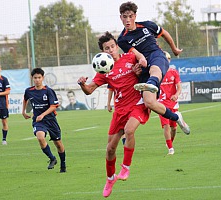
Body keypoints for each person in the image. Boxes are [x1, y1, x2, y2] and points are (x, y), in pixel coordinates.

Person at [77, 31, 150, 198]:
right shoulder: (104, 70)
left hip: (137, 104)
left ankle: (126, 167)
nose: (110, 50)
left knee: (130, 131)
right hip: (120, 110)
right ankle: (110, 179)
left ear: (117, 46)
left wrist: (139, 72)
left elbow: (146, 70)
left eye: (112, 46)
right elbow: (89, 91)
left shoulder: (130, 58)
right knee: (110, 149)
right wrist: (82, 84)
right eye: (106, 48)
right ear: (102, 52)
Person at [117, 1, 190, 134]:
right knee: (149, 102)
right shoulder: (122, 39)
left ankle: (151, 83)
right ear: (120, 17)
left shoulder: (147, 25)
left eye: (130, 16)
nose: (127, 20)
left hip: (157, 56)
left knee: (154, 70)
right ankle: (177, 117)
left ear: (135, 16)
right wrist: (140, 58)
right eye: (124, 16)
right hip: (144, 66)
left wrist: (174, 49)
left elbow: (165, 33)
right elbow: (134, 52)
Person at [22, 68, 66, 173]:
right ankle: (52, 158)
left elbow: (54, 106)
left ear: (43, 78)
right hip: (38, 120)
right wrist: (23, 111)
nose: (37, 80)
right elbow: (25, 99)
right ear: (32, 78)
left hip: (50, 120)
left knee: (58, 144)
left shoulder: (48, 91)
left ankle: (63, 164)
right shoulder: (29, 91)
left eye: (39, 78)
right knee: (40, 138)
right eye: (35, 78)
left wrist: (43, 114)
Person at [158, 51, 186, 155]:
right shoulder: (157, 73)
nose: (167, 61)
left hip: (173, 103)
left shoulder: (174, 72)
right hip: (161, 104)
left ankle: (170, 142)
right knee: (166, 125)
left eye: (168, 59)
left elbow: (179, 87)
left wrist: (176, 95)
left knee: (174, 128)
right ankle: (170, 149)